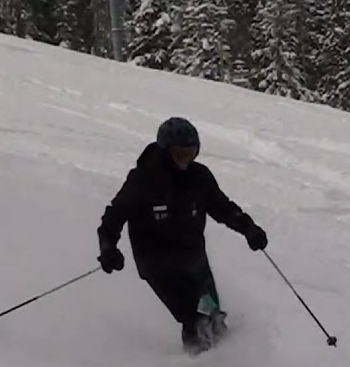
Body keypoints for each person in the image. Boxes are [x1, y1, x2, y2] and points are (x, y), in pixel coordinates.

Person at [97, 117, 268, 354]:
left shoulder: (199, 177)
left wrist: (249, 229)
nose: (185, 160)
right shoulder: (144, 179)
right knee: (194, 317)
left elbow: (222, 207)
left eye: (191, 153)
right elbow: (114, 217)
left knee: (213, 315)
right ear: (166, 151)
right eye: (179, 154)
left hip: (194, 260)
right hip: (158, 264)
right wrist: (108, 249)